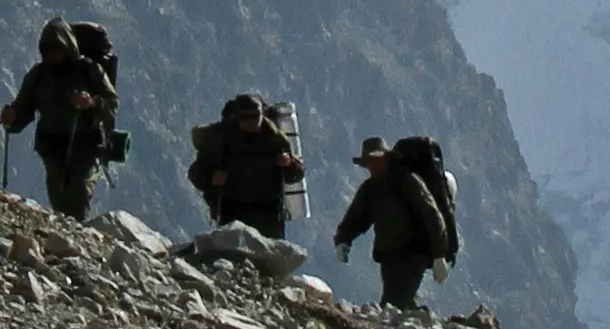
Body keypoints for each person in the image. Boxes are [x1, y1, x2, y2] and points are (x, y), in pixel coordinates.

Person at [0, 15, 124, 220]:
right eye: (48, 50)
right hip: (52, 146)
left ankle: (75, 234)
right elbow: (24, 107)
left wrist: (91, 103)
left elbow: (111, 102)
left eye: (56, 49)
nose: (52, 55)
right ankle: (67, 234)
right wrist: (13, 116)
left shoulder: (89, 70)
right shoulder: (38, 75)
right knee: (58, 198)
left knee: (79, 192)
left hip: (86, 144)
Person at [332, 132, 459, 315]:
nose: (372, 166)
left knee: (393, 302)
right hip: (389, 256)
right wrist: (343, 240)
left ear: (386, 158)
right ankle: (415, 318)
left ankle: (405, 324)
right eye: (369, 162)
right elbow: (356, 217)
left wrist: (440, 254)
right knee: (397, 301)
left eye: (375, 160)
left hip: (414, 253)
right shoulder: (370, 189)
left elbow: (431, 214)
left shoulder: (408, 182)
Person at [188, 89, 304, 244]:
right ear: (237, 118)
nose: (251, 121)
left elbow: (296, 174)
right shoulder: (221, 140)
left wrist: (289, 165)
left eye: (256, 116)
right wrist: (210, 179)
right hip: (232, 210)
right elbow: (195, 173)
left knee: (267, 255)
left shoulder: (275, 139)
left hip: (267, 213)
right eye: (246, 117)